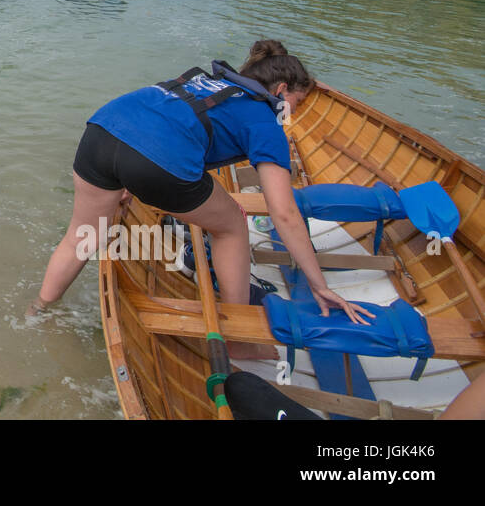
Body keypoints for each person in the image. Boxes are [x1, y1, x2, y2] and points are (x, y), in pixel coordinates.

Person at [28, 40, 372, 353]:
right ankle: (238, 339)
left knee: (81, 237)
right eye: (296, 103)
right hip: (154, 158)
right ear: (281, 90)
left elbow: (163, 119)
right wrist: (319, 285)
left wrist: (128, 178)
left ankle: (37, 311)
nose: (292, 113)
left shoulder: (206, 81)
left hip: (102, 131)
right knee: (232, 226)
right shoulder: (265, 121)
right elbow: (283, 214)